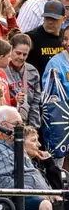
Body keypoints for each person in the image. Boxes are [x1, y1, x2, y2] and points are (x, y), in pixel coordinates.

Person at [42, 24, 69, 166]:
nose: (67, 43)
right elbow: (49, 94)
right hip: (62, 119)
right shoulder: (55, 63)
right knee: (60, 160)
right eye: (65, 39)